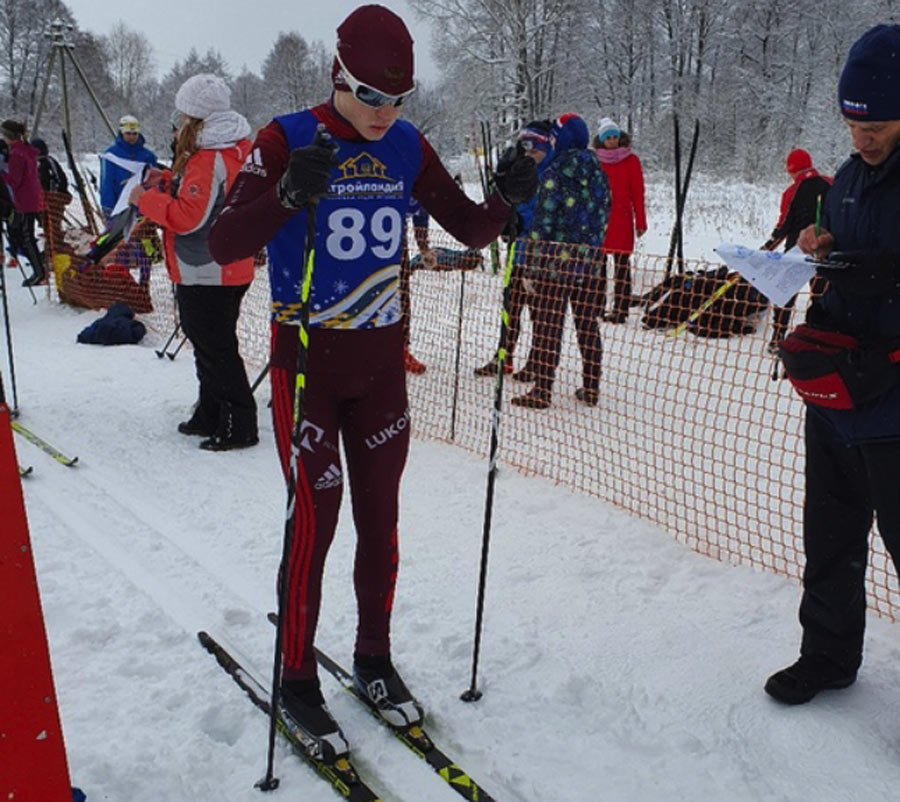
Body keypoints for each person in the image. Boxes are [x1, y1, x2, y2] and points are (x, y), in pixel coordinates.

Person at [208, 4, 536, 758]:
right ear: (338, 77)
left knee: (380, 523)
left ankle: (373, 656)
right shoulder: (286, 138)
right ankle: (295, 676)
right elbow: (223, 238)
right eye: (371, 96)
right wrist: (287, 195)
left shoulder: (406, 146)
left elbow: (470, 228)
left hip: (381, 369)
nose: (386, 112)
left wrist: (510, 197)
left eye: (400, 100)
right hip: (307, 371)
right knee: (315, 525)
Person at [765, 23, 900, 705]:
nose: (862, 135)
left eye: (875, 121)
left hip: (897, 399)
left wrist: (886, 274)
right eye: (852, 121)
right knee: (832, 535)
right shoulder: (845, 179)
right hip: (840, 394)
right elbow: (840, 254)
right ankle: (826, 656)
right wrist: (820, 244)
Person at [129, 74, 258, 451]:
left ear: (196, 118)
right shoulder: (235, 147)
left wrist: (144, 199)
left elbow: (189, 216)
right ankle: (211, 413)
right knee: (209, 344)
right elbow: (208, 194)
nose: (178, 122)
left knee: (215, 347)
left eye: (182, 115)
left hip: (205, 267)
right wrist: (169, 180)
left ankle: (238, 423)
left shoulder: (208, 156)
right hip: (229, 264)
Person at [511, 112, 610, 409]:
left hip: (553, 265)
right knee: (587, 324)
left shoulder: (555, 173)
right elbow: (605, 215)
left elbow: (542, 223)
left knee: (548, 327)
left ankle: (542, 390)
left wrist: (529, 263)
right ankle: (591, 386)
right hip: (590, 263)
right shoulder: (598, 173)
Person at [473, 119, 553, 379]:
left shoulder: (550, 174)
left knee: (540, 313)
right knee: (511, 305)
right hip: (518, 251)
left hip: (540, 255)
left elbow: (544, 215)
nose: (530, 154)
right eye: (525, 148)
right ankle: (503, 356)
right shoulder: (523, 170)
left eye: (535, 149)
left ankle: (536, 362)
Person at [763, 148, 832, 352]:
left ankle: (778, 337)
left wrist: (768, 247)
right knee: (819, 296)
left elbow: (783, 225)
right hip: (824, 251)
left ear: (792, 169)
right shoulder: (831, 184)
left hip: (796, 252)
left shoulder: (792, 192)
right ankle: (815, 336)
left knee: (784, 293)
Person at [594, 117, 646, 324]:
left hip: (623, 220)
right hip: (599, 221)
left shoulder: (631, 160)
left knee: (622, 267)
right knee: (598, 267)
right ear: (601, 140)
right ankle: (597, 307)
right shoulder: (595, 160)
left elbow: (638, 192)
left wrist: (641, 221)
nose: (612, 141)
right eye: (608, 138)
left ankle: (621, 309)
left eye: (615, 137)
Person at [0, 120, 45, 286]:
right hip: (33, 197)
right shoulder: (27, 150)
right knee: (27, 235)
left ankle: (39, 271)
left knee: (27, 237)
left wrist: (3, 174)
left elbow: (15, 180)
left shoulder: (17, 154)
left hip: (24, 200)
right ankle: (39, 269)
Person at [399, 196, 434, 374]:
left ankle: (402, 350)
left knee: (401, 296)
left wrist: (424, 247)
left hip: (395, 240)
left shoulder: (409, 172)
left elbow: (420, 206)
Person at [99, 115, 158, 219]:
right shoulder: (111, 155)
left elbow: (154, 182)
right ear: (122, 133)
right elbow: (106, 182)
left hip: (142, 207)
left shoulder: (148, 156)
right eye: (128, 133)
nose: (132, 137)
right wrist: (107, 206)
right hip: (118, 206)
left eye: (134, 133)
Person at [31, 137, 74, 260]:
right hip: (41, 203)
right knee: (47, 227)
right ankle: (51, 250)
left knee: (53, 227)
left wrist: (58, 194)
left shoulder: (49, 163)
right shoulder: (34, 164)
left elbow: (61, 180)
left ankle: (56, 251)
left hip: (53, 202)